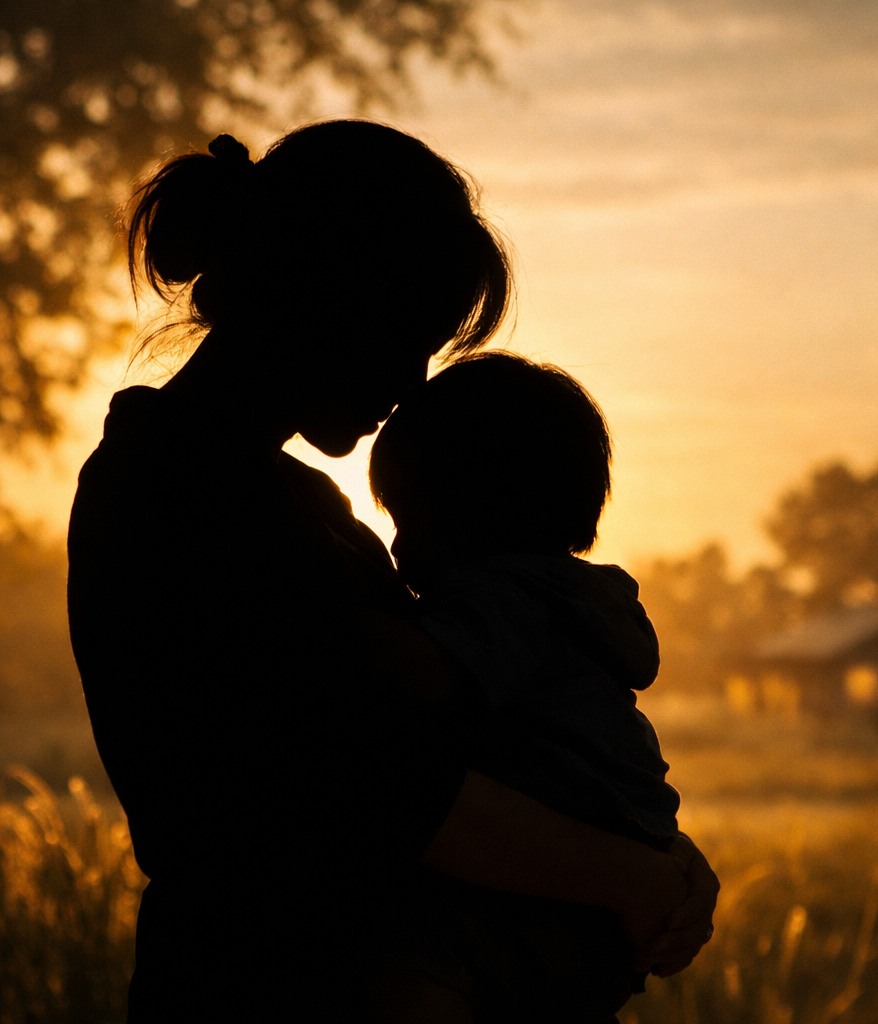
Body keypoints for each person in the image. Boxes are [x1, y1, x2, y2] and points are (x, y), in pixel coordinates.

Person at [66, 122, 718, 1022]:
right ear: (325, 294)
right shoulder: (181, 495)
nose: (412, 381)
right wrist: (634, 873)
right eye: (404, 332)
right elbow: (366, 790)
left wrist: (650, 851)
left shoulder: (290, 505)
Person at [367, 351, 687, 1023]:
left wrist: (334, 617)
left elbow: (428, 678)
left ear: (477, 511)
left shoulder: (506, 599)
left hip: (532, 895)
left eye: (411, 520)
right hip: (617, 888)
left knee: (406, 956)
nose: (396, 549)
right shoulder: (580, 599)